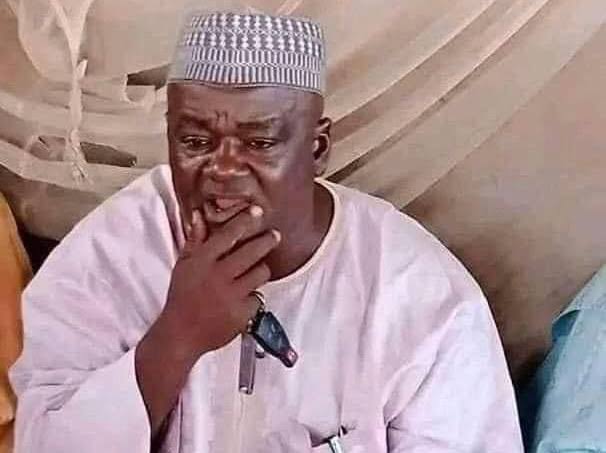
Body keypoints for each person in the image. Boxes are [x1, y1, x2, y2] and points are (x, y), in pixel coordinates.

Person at [9, 11, 523, 453]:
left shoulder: (423, 298)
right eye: (195, 141)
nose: (223, 169)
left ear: (317, 149)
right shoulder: (112, 253)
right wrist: (175, 339)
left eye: (259, 143)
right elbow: (42, 441)